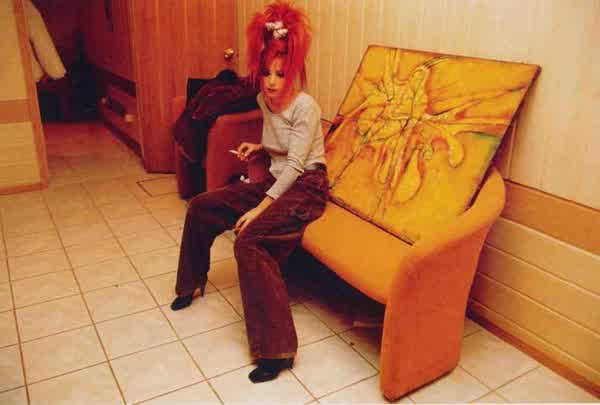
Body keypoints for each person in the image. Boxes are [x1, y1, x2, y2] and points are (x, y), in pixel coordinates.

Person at [171, 1, 327, 383]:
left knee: (249, 240)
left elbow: (297, 164)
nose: (272, 82)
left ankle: (277, 351)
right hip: (277, 181)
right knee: (202, 205)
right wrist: (258, 148)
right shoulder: (262, 99)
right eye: (267, 72)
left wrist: (259, 210)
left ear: (294, 72)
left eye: (280, 74)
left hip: (306, 187)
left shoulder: (306, 107)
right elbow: (281, 151)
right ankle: (190, 283)